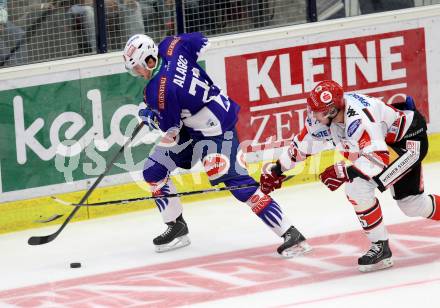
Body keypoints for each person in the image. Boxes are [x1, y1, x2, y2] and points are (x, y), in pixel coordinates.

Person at [122, 32, 311, 257]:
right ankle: (176, 227)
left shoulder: (157, 91)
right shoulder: (171, 45)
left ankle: (291, 234)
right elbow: (201, 41)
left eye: (137, 68)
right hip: (195, 125)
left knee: (240, 187)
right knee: (154, 169)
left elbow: (170, 129)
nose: (138, 74)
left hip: (215, 132)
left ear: (149, 60)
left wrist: (150, 116)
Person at [260, 80, 440, 272]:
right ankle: (381, 246)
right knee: (412, 205)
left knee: (358, 188)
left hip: (408, 142)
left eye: (317, 111)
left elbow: (377, 159)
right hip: (384, 146)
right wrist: (278, 170)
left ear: (331, 111)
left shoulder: (360, 119)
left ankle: (381, 248)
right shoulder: (326, 117)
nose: (312, 115)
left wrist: (343, 172)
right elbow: (304, 145)